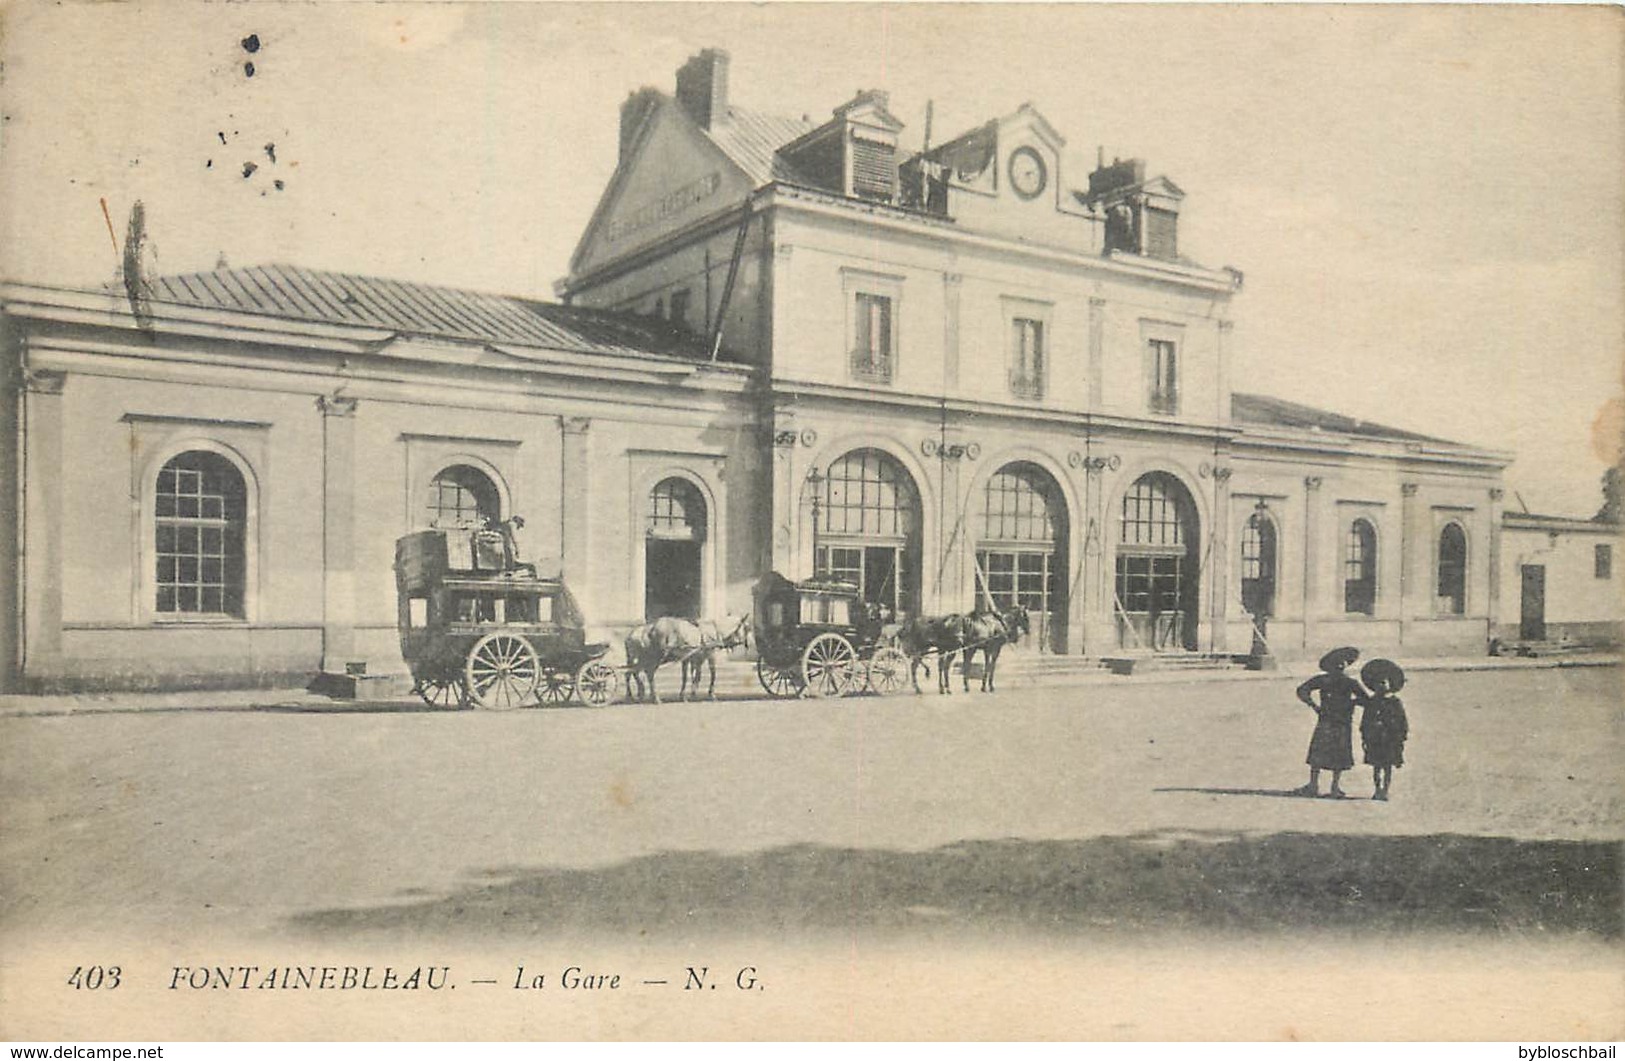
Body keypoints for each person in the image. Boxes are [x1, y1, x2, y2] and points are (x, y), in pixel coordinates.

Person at [1294, 646, 1368, 798]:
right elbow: (1302, 690)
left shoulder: (1350, 682)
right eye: (1338, 662)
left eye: (1344, 662)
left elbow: (1365, 700)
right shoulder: (1324, 680)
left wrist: (1353, 703)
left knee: (1338, 754)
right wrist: (1314, 706)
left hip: (1341, 721)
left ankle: (1334, 786)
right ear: (1331, 665)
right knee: (1318, 753)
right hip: (1329, 720)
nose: (1341, 665)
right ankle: (1314, 785)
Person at [1359, 658, 1410, 801]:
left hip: (1389, 740)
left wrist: (1401, 736)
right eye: (1378, 683)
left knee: (1388, 767)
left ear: (1390, 684)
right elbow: (1365, 720)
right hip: (1375, 739)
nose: (1381, 685)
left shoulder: (1395, 702)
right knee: (1376, 767)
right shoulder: (1372, 702)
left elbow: (1402, 721)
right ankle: (1377, 789)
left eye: (1384, 682)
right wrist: (1365, 735)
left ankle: (1385, 790)